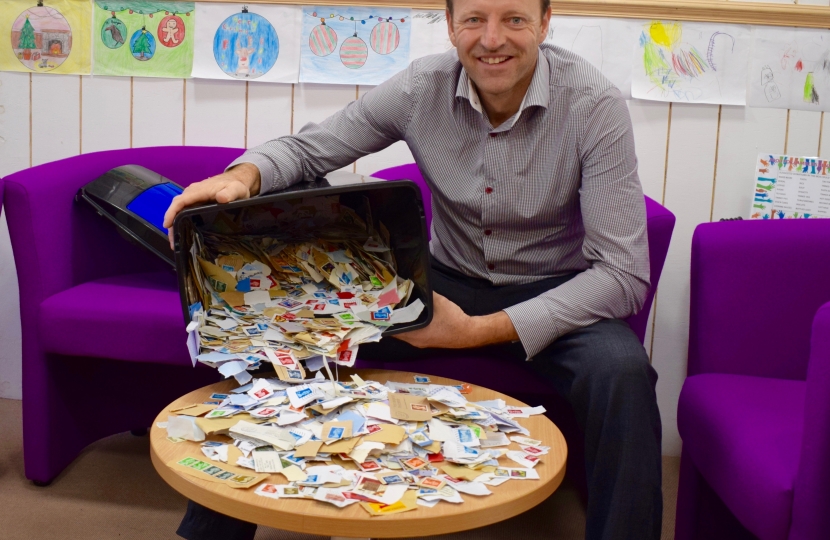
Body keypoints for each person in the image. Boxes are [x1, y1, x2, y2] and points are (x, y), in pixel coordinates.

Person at [163, 0, 662, 538]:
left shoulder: (595, 105)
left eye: (514, 19)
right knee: (287, 333)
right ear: (449, 26)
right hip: (443, 281)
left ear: (544, 23)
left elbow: (622, 274)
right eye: (474, 19)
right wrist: (243, 176)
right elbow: (311, 150)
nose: (491, 38)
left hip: (554, 291)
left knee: (624, 373)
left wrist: (476, 332)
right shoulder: (420, 86)